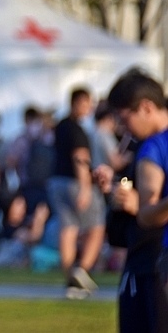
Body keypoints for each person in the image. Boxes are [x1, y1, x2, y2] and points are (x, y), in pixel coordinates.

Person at [106, 68, 168, 331]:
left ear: (145, 107)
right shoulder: (151, 148)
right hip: (149, 259)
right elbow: (145, 213)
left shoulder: (153, 146)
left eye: (124, 118)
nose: (123, 128)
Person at [48, 87, 105, 299]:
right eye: (87, 103)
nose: (90, 108)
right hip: (73, 182)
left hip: (56, 181)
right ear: (78, 103)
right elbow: (80, 157)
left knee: (68, 228)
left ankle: (70, 277)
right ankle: (82, 269)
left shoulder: (61, 125)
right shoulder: (77, 130)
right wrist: (85, 187)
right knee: (96, 226)